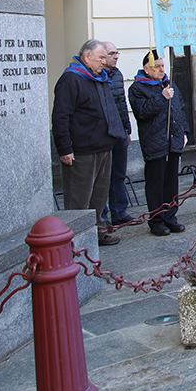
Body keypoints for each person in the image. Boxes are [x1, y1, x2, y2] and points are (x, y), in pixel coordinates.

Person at [52, 40, 125, 246]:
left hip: (103, 147)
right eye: (101, 57)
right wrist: (65, 147)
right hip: (82, 151)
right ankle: (76, 239)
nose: (104, 61)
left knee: (99, 197)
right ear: (87, 57)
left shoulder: (99, 78)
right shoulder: (71, 80)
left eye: (105, 57)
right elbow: (61, 116)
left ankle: (98, 231)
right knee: (79, 198)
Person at [128, 50, 190, 236]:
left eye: (163, 66)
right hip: (155, 142)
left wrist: (184, 131)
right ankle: (156, 221)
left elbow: (180, 109)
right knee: (156, 183)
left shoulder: (170, 85)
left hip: (173, 141)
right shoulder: (137, 88)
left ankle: (171, 217)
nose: (162, 69)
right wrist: (161, 97)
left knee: (171, 182)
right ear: (147, 69)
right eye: (158, 66)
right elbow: (142, 112)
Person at [102, 41, 134, 226]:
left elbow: (122, 104)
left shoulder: (117, 74)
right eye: (112, 53)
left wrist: (127, 130)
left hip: (119, 131)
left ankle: (119, 212)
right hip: (105, 133)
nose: (115, 56)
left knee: (118, 174)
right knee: (103, 177)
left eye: (117, 53)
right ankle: (103, 216)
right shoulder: (96, 75)